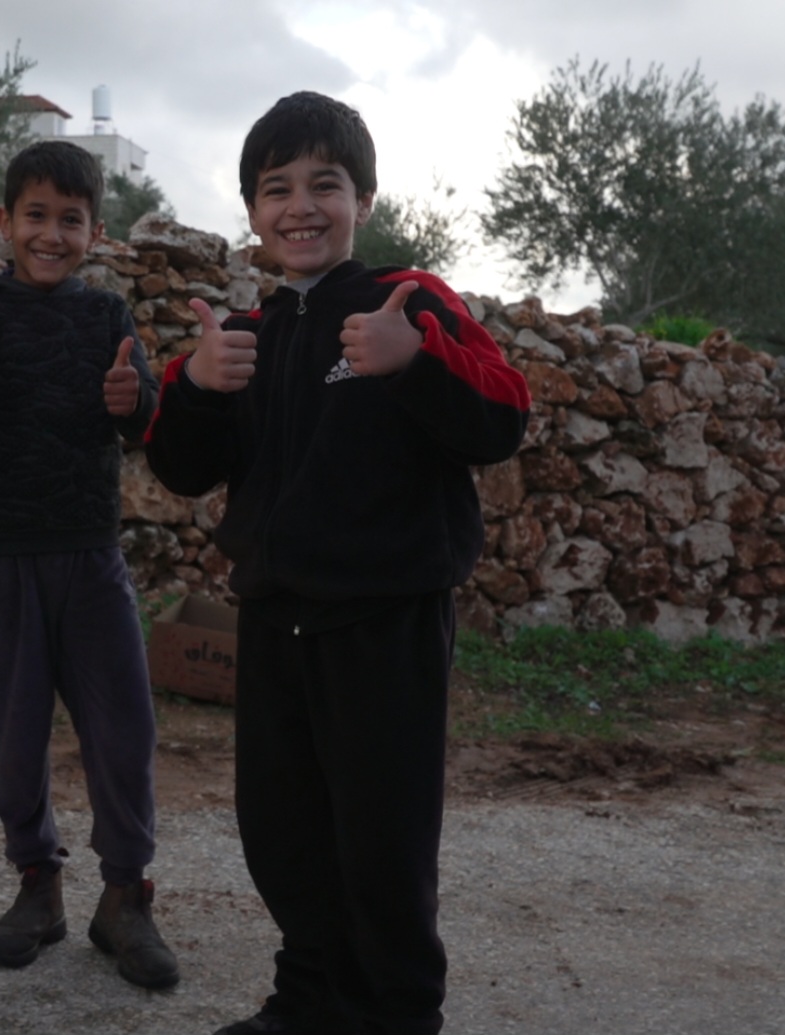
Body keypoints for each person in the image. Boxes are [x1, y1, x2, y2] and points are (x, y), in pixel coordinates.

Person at [144, 93, 532, 1034]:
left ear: (363, 195)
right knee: (282, 830)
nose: (300, 207)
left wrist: (414, 361)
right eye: (276, 189)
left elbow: (503, 415)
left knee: (384, 840)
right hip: (274, 617)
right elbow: (179, 467)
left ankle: (396, 1013)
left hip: (386, 620)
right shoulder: (244, 333)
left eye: (325, 183)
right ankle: (307, 998)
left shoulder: (410, 301)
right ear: (250, 211)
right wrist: (195, 388)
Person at [0, 140, 177, 989]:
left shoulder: (105, 319)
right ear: (6, 221)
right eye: (36, 216)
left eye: (71, 219)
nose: (52, 234)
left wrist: (140, 403)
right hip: (4, 563)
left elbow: (143, 418)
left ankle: (125, 898)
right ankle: (38, 888)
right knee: (17, 740)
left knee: (123, 734)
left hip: (91, 560)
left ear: (96, 232)